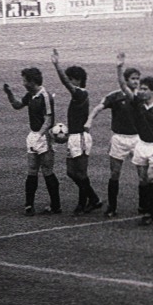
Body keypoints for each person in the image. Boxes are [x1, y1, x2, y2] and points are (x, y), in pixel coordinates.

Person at [117, 59, 153, 227]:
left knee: (150, 177)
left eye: (144, 89)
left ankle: (149, 213)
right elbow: (123, 86)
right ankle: (146, 206)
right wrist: (119, 67)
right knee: (143, 179)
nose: (141, 91)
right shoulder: (138, 103)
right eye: (140, 88)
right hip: (141, 145)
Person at [86, 55, 143, 218]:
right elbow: (98, 107)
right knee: (114, 173)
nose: (136, 82)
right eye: (133, 79)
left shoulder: (140, 96)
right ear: (126, 80)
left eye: (138, 79)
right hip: (119, 138)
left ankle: (144, 205)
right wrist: (90, 120)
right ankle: (112, 206)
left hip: (137, 139)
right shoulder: (114, 96)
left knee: (143, 173)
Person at [4, 66, 64, 216]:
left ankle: (56, 205)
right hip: (33, 136)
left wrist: (40, 135)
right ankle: (29, 205)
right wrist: (9, 94)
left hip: (44, 137)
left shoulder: (45, 96)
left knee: (47, 170)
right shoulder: (30, 95)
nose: (23, 83)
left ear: (32, 81)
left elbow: (49, 119)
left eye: (25, 80)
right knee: (32, 170)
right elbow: (17, 105)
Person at [52, 49, 103, 214]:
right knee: (71, 172)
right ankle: (93, 198)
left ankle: (84, 203)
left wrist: (57, 65)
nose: (69, 81)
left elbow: (65, 82)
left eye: (71, 78)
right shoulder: (78, 95)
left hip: (80, 137)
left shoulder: (80, 93)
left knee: (80, 172)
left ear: (78, 80)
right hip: (73, 138)